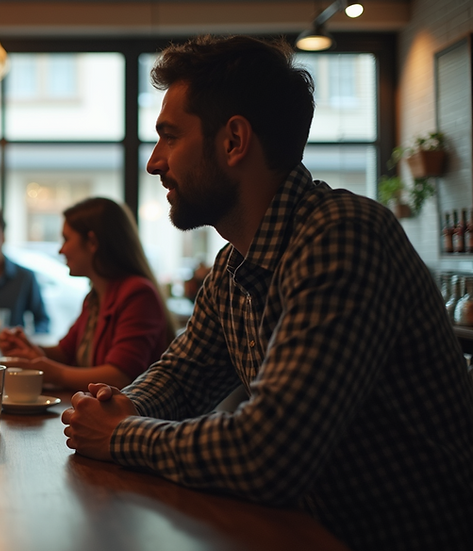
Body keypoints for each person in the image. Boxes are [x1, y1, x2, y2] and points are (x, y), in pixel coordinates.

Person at [61, 36, 473, 551]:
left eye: (169, 137)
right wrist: (114, 404)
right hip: (302, 527)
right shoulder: (235, 263)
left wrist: (120, 434)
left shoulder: (343, 236)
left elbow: (270, 451)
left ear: (234, 141)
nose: (154, 162)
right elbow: (181, 379)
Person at [0, 197, 176, 391]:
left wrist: (51, 372)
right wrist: (26, 348)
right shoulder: (95, 297)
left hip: (133, 420)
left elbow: (119, 376)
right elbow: (66, 352)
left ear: (92, 242)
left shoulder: (138, 295)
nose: (61, 250)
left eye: (66, 239)